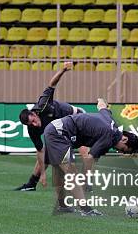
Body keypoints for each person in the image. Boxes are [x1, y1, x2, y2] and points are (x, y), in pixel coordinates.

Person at [44, 102, 138, 216]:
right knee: (71, 172)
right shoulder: (109, 136)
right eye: (124, 150)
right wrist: (85, 179)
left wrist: (100, 100)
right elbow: (89, 158)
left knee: (60, 171)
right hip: (59, 133)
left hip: (55, 129)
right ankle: (86, 209)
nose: (120, 152)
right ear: (124, 139)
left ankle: (63, 205)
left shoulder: (111, 121)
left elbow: (102, 107)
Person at [16, 61, 93, 191]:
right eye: (31, 124)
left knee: (83, 148)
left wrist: (62, 70)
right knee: (47, 155)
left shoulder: (43, 105)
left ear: (34, 113)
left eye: (33, 120)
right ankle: (31, 184)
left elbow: (51, 84)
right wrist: (44, 174)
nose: (35, 124)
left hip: (76, 118)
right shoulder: (32, 129)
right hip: (60, 129)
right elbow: (40, 151)